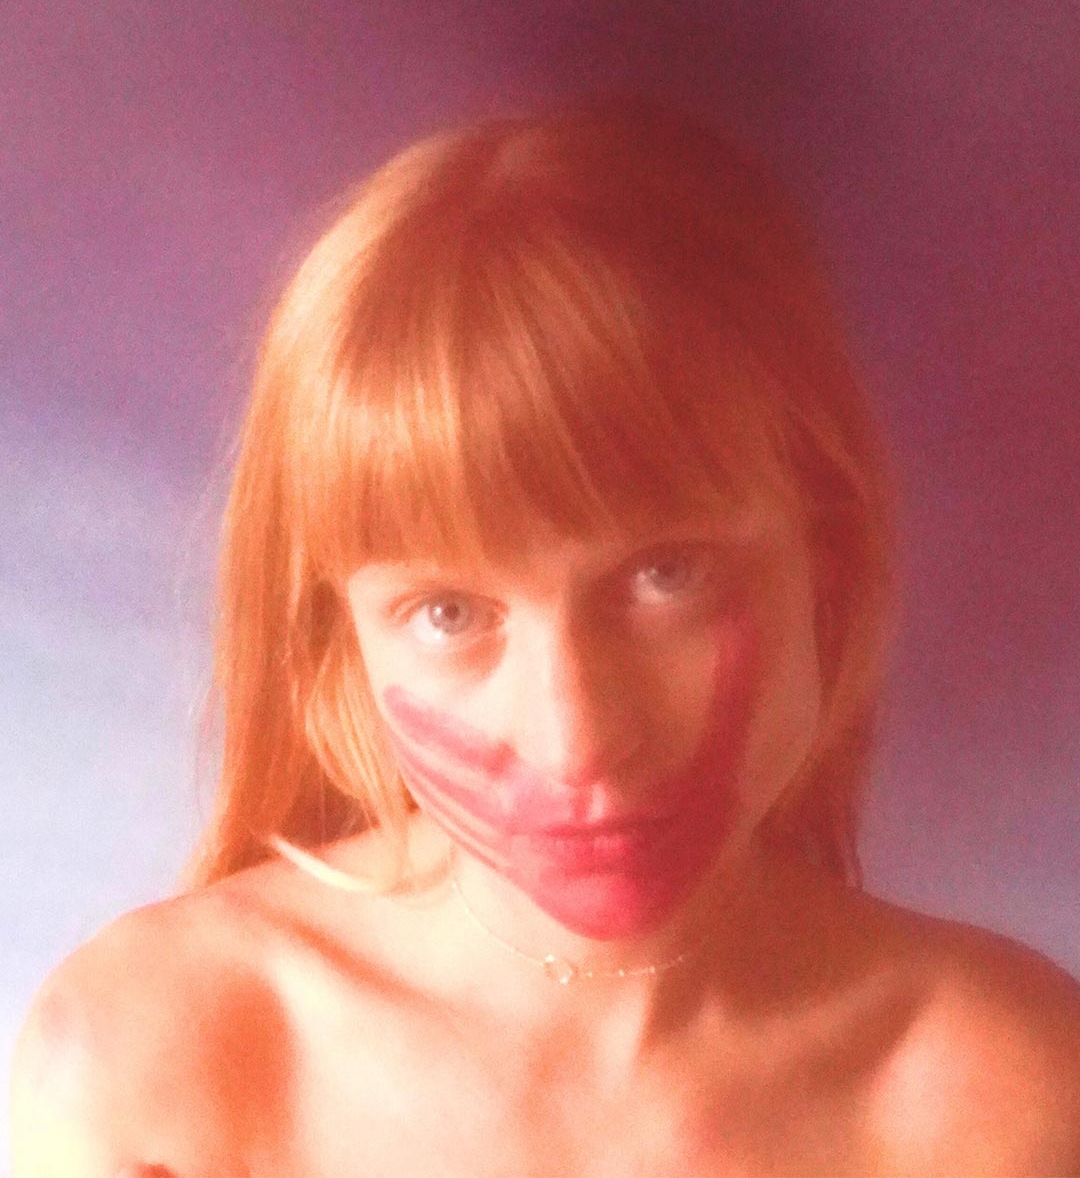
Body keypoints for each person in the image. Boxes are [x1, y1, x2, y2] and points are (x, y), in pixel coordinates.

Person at [11, 100, 1080, 1177]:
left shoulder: (1001, 1091)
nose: (577, 743)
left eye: (666, 577)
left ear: (829, 568)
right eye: (449, 614)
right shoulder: (153, 1064)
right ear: (342, 647)